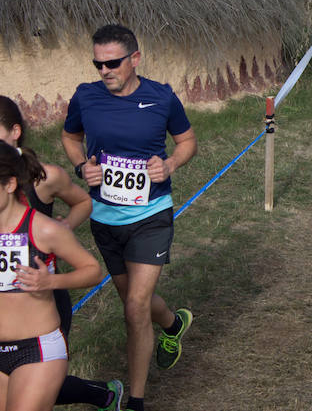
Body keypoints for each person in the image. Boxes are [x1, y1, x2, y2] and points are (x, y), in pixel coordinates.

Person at [62, 24, 198, 411]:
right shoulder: (85, 97)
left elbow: (187, 140)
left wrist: (170, 163)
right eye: (98, 63)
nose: (104, 70)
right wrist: (79, 168)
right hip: (105, 218)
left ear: (135, 59)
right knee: (132, 302)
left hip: (151, 215)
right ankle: (173, 324)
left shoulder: (161, 97)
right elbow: (70, 137)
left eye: (112, 63)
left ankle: (134, 400)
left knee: (135, 308)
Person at [0, 97, 123, 411]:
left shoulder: (43, 226)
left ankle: (104, 394)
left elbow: (93, 271)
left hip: (37, 344)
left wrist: (48, 281)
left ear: (10, 184)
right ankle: (101, 395)